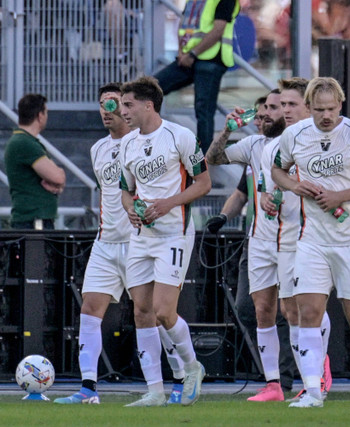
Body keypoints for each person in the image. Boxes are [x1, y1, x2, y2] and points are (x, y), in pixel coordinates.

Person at [54, 83, 188, 405]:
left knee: (155, 314)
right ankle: (88, 389)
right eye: (101, 104)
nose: (106, 110)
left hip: (139, 241)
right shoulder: (97, 149)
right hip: (106, 241)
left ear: (129, 108)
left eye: (113, 104)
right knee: (89, 308)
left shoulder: (142, 143)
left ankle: (181, 380)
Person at [272, 77, 350, 408]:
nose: (326, 116)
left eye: (331, 109)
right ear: (308, 108)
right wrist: (293, 186)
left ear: (341, 104)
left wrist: (341, 195)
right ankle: (312, 391)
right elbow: (278, 170)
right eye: (319, 110)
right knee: (307, 312)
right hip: (310, 240)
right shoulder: (293, 135)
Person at [119, 76, 211, 407]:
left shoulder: (180, 136)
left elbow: (204, 183)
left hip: (175, 232)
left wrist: (168, 204)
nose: (122, 111)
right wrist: (131, 210)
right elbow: (125, 189)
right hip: (142, 236)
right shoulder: (128, 144)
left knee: (163, 311)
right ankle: (155, 391)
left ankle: (191, 367)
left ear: (148, 105)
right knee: (141, 311)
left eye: (128, 104)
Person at [206, 89, 292, 401]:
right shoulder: (254, 145)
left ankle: (307, 374)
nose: (266, 113)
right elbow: (214, 159)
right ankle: (274, 383)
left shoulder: (301, 142)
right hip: (258, 238)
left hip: (296, 238)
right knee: (258, 308)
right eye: (264, 108)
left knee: (294, 310)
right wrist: (226, 130)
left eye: (275, 107)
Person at [258, 78, 332, 402]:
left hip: (318, 235)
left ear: (308, 106)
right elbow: (266, 190)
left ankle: (316, 375)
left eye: (291, 104)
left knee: (311, 307)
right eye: (282, 105)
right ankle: (311, 376)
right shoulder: (274, 146)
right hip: (285, 233)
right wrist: (269, 201)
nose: (285, 110)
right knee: (290, 311)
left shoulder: (326, 139)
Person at [154, 0, 240, 154]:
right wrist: (182, 51)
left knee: (204, 111)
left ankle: (203, 163)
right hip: (187, 58)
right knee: (151, 89)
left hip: (211, 59)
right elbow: (184, 24)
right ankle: (150, 141)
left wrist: (192, 54)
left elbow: (218, 29)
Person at [4, 93, 66, 230]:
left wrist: (55, 182)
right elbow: (59, 177)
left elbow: (56, 179)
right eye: (46, 112)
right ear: (40, 115)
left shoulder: (25, 141)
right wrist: (57, 180)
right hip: (34, 222)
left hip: (34, 221)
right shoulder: (25, 143)